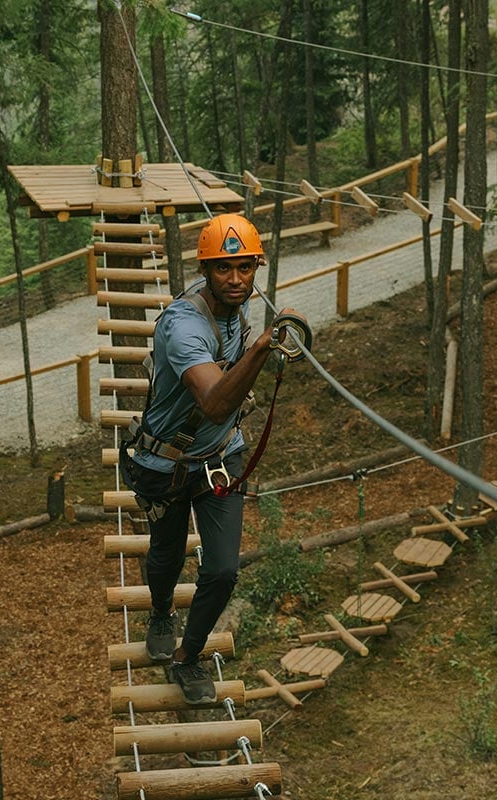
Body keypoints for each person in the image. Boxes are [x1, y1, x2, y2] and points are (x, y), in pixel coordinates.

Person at [119, 213, 305, 704]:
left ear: (257, 267)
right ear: (205, 269)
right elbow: (214, 403)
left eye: (246, 268)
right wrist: (263, 347)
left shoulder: (236, 309)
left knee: (222, 570)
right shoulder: (182, 325)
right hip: (167, 463)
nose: (237, 279)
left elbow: (225, 412)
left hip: (221, 457)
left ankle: (188, 657)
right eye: (225, 269)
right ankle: (161, 609)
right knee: (166, 554)